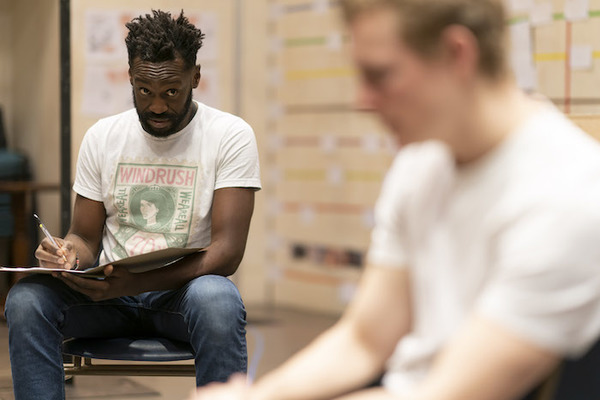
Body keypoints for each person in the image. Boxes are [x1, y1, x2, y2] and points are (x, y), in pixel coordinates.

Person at [190, 0, 600, 399]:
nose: (363, 99)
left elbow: (443, 393)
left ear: (457, 54)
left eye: (380, 75)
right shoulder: (423, 161)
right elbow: (364, 340)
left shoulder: (567, 197)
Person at [5, 9, 261, 400]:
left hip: (183, 293)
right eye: (144, 91)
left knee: (218, 300)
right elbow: (85, 237)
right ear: (130, 77)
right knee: (25, 300)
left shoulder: (230, 136)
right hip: (109, 295)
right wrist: (68, 253)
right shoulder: (103, 137)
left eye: (171, 91)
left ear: (195, 77)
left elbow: (226, 254)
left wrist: (136, 282)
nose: (157, 106)